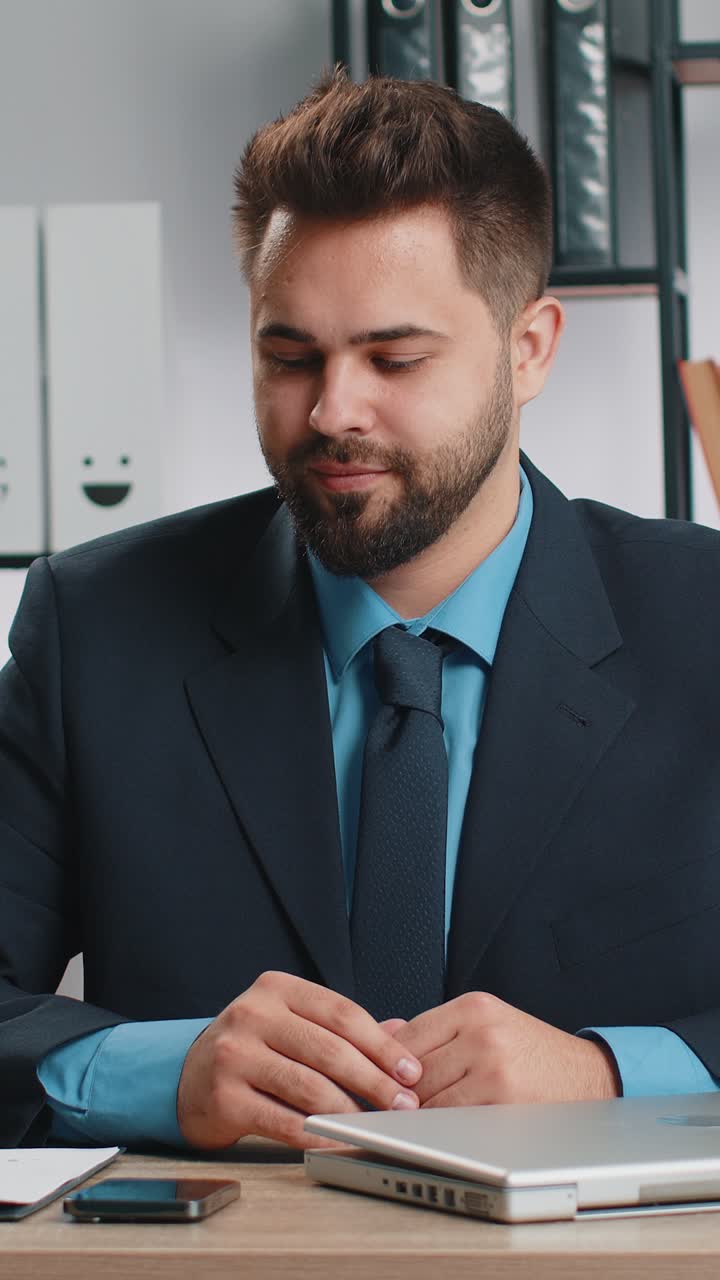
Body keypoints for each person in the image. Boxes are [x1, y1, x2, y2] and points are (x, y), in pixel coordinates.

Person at [1, 68, 719, 1153]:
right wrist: (162, 1072)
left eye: (395, 357)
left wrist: (610, 1070)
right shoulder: (94, 626)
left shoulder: (703, 621)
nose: (333, 410)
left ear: (530, 350)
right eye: (289, 356)